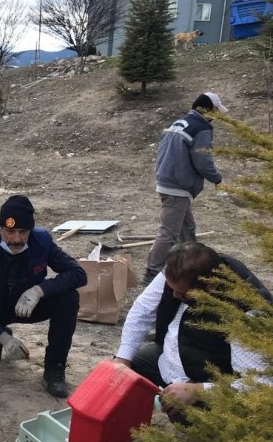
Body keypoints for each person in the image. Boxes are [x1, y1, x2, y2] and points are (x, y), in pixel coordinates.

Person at [116, 242, 271, 420]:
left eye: (183, 294)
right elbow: (142, 311)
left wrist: (198, 391)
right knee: (130, 370)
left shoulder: (245, 314)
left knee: (182, 415)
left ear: (211, 285)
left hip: (216, 380)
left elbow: (261, 384)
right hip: (175, 359)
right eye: (171, 289)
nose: (175, 296)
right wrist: (123, 359)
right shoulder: (178, 272)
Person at [0, 195, 87, 397]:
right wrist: (4, 338)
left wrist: (39, 290)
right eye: (9, 231)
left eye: (22, 232)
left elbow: (78, 274)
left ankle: (54, 368)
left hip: (29, 305)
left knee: (69, 298)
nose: (16, 239)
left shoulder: (42, 241)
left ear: (30, 231)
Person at [144, 92, 226, 284]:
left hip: (168, 181)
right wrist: (217, 178)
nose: (218, 115)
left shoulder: (180, 122)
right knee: (169, 231)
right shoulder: (201, 128)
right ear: (208, 109)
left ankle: (195, 263)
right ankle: (151, 272)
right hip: (177, 186)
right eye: (216, 110)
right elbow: (203, 161)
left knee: (187, 227)